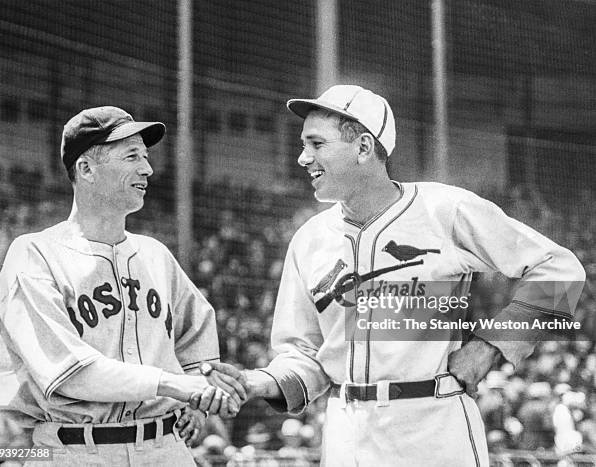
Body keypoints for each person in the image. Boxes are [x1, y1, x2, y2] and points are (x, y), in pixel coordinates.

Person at [204, 85, 585, 466]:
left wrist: (489, 346)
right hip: (346, 430)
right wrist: (258, 381)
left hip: (433, 422)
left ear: (364, 148)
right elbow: (304, 353)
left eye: (316, 144)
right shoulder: (309, 239)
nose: (303, 158)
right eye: (304, 145)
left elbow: (561, 270)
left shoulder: (443, 210)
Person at [0, 106, 246, 466]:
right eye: (131, 156)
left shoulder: (156, 255)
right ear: (86, 168)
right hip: (74, 449)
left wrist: (199, 396)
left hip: (166, 447)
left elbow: (198, 347)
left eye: (145, 156)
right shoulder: (34, 256)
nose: (147, 169)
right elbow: (71, 375)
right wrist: (174, 384)